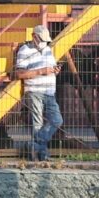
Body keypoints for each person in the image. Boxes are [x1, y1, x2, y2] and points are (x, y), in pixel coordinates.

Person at [15, 25, 63, 161]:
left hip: (49, 92)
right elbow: (20, 74)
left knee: (57, 120)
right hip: (35, 91)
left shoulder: (48, 50)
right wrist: (41, 71)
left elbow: (50, 68)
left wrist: (55, 70)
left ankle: (34, 145)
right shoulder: (24, 50)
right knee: (38, 124)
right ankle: (42, 155)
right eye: (41, 39)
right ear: (33, 36)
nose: (43, 43)